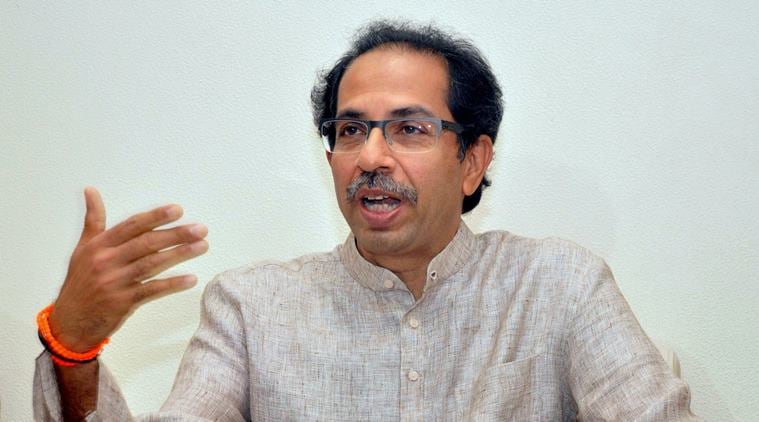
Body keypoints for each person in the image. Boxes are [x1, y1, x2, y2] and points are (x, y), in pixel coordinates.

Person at [34, 20, 700, 420]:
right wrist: (74, 349)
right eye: (351, 130)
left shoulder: (559, 285)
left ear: (471, 161)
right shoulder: (250, 307)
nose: (371, 157)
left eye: (409, 128)